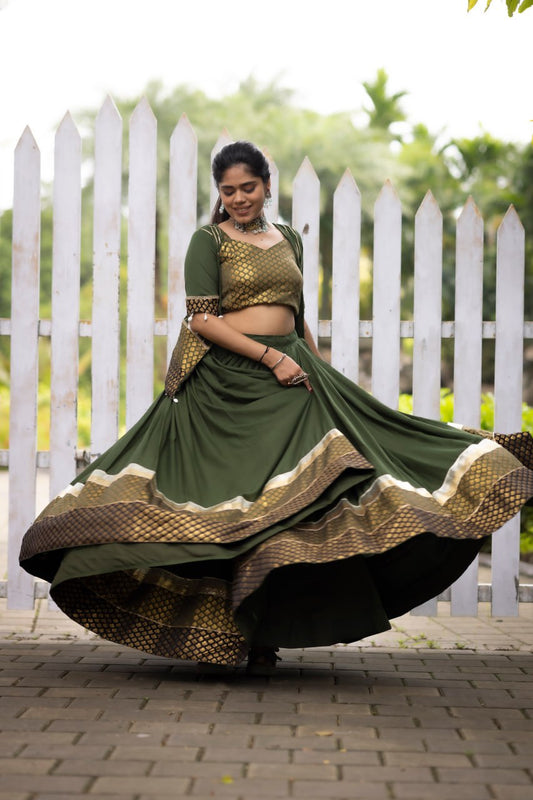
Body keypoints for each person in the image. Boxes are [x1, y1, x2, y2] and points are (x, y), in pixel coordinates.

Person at [20, 141, 533, 674]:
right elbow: (203, 320)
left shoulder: (288, 239)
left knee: (289, 509)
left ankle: (263, 634)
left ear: (267, 184)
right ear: (218, 193)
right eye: (228, 190)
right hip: (225, 386)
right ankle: (218, 636)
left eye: (248, 187)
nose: (239, 198)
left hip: (289, 375)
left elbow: (295, 312)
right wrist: (269, 358)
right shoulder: (208, 241)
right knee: (230, 509)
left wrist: (314, 367)